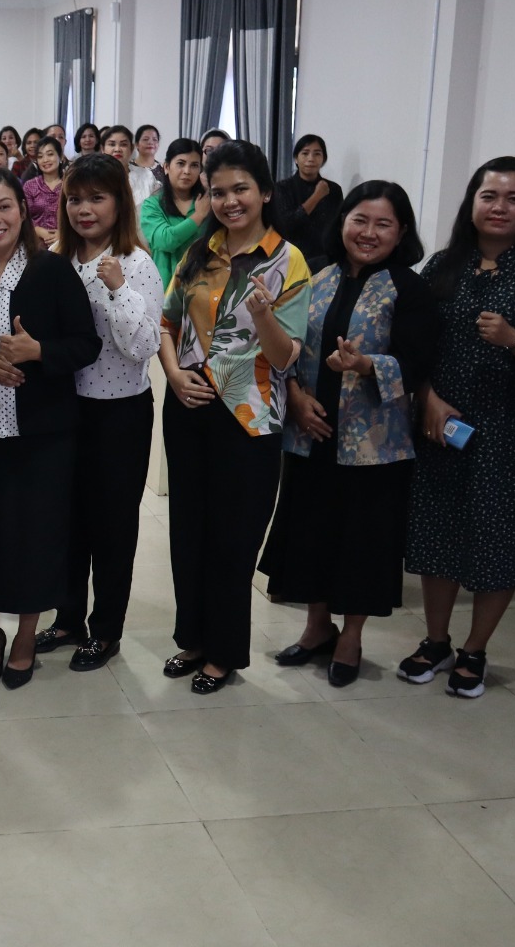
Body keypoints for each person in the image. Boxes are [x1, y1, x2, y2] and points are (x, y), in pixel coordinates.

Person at [400, 157, 515, 699]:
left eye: (513, 198)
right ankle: (436, 641)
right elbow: (410, 341)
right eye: (489, 196)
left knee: (499, 541)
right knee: (438, 534)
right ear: (472, 203)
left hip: (513, 430)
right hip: (443, 425)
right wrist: (427, 397)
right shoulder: (442, 265)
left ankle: (475, 650)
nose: (499, 207)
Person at [260, 181, 437, 686]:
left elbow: (420, 362)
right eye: (360, 220)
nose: (369, 232)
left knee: (362, 543)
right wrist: (295, 395)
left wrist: (366, 365)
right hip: (311, 433)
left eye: (383, 224)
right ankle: (317, 627)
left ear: (401, 232)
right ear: (342, 222)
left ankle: (352, 637)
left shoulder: (409, 289)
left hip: (375, 447)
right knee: (311, 533)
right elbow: (286, 344)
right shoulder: (316, 273)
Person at [157, 140, 311, 694]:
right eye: (218, 192)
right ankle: (193, 639)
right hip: (190, 406)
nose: (229, 201)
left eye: (240, 189)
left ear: (265, 192)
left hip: (249, 419)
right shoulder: (199, 253)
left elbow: (285, 358)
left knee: (234, 537)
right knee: (188, 532)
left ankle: (223, 653)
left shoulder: (287, 260)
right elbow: (167, 324)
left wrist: (264, 314)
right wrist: (173, 375)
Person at [0, 169, 101, 688]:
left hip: (43, 433)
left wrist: (38, 350)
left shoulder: (52, 271)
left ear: (23, 210)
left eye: (3, 207)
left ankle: (24, 636)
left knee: (36, 536)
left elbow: (86, 344)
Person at [34, 155, 163, 670]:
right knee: (67, 522)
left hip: (119, 415)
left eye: (96, 198)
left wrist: (117, 289)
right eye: (74, 199)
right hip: (65, 409)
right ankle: (69, 618)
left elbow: (143, 346)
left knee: (112, 528)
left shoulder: (135, 263)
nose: (83, 209)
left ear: (119, 203)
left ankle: (107, 630)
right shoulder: (57, 258)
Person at [140, 138, 211, 291]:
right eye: (181, 163)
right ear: (166, 167)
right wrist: (198, 216)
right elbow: (165, 241)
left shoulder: (208, 202)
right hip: (164, 289)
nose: (187, 171)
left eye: (194, 165)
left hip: (203, 286)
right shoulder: (152, 205)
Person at [274, 134, 345, 273]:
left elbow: (338, 224)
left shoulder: (334, 189)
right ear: (296, 158)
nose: (311, 159)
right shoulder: (282, 188)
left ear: (323, 159)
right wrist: (316, 196)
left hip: (326, 260)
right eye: (305, 153)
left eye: (317, 154)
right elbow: (286, 225)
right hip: (292, 258)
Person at [23, 135, 65, 247]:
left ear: (60, 156)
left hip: (66, 242)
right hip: (36, 243)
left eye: (50, 154)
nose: (45, 160)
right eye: (40, 156)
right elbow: (23, 216)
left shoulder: (70, 184)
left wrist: (63, 234)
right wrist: (39, 231)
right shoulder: (30, 186)